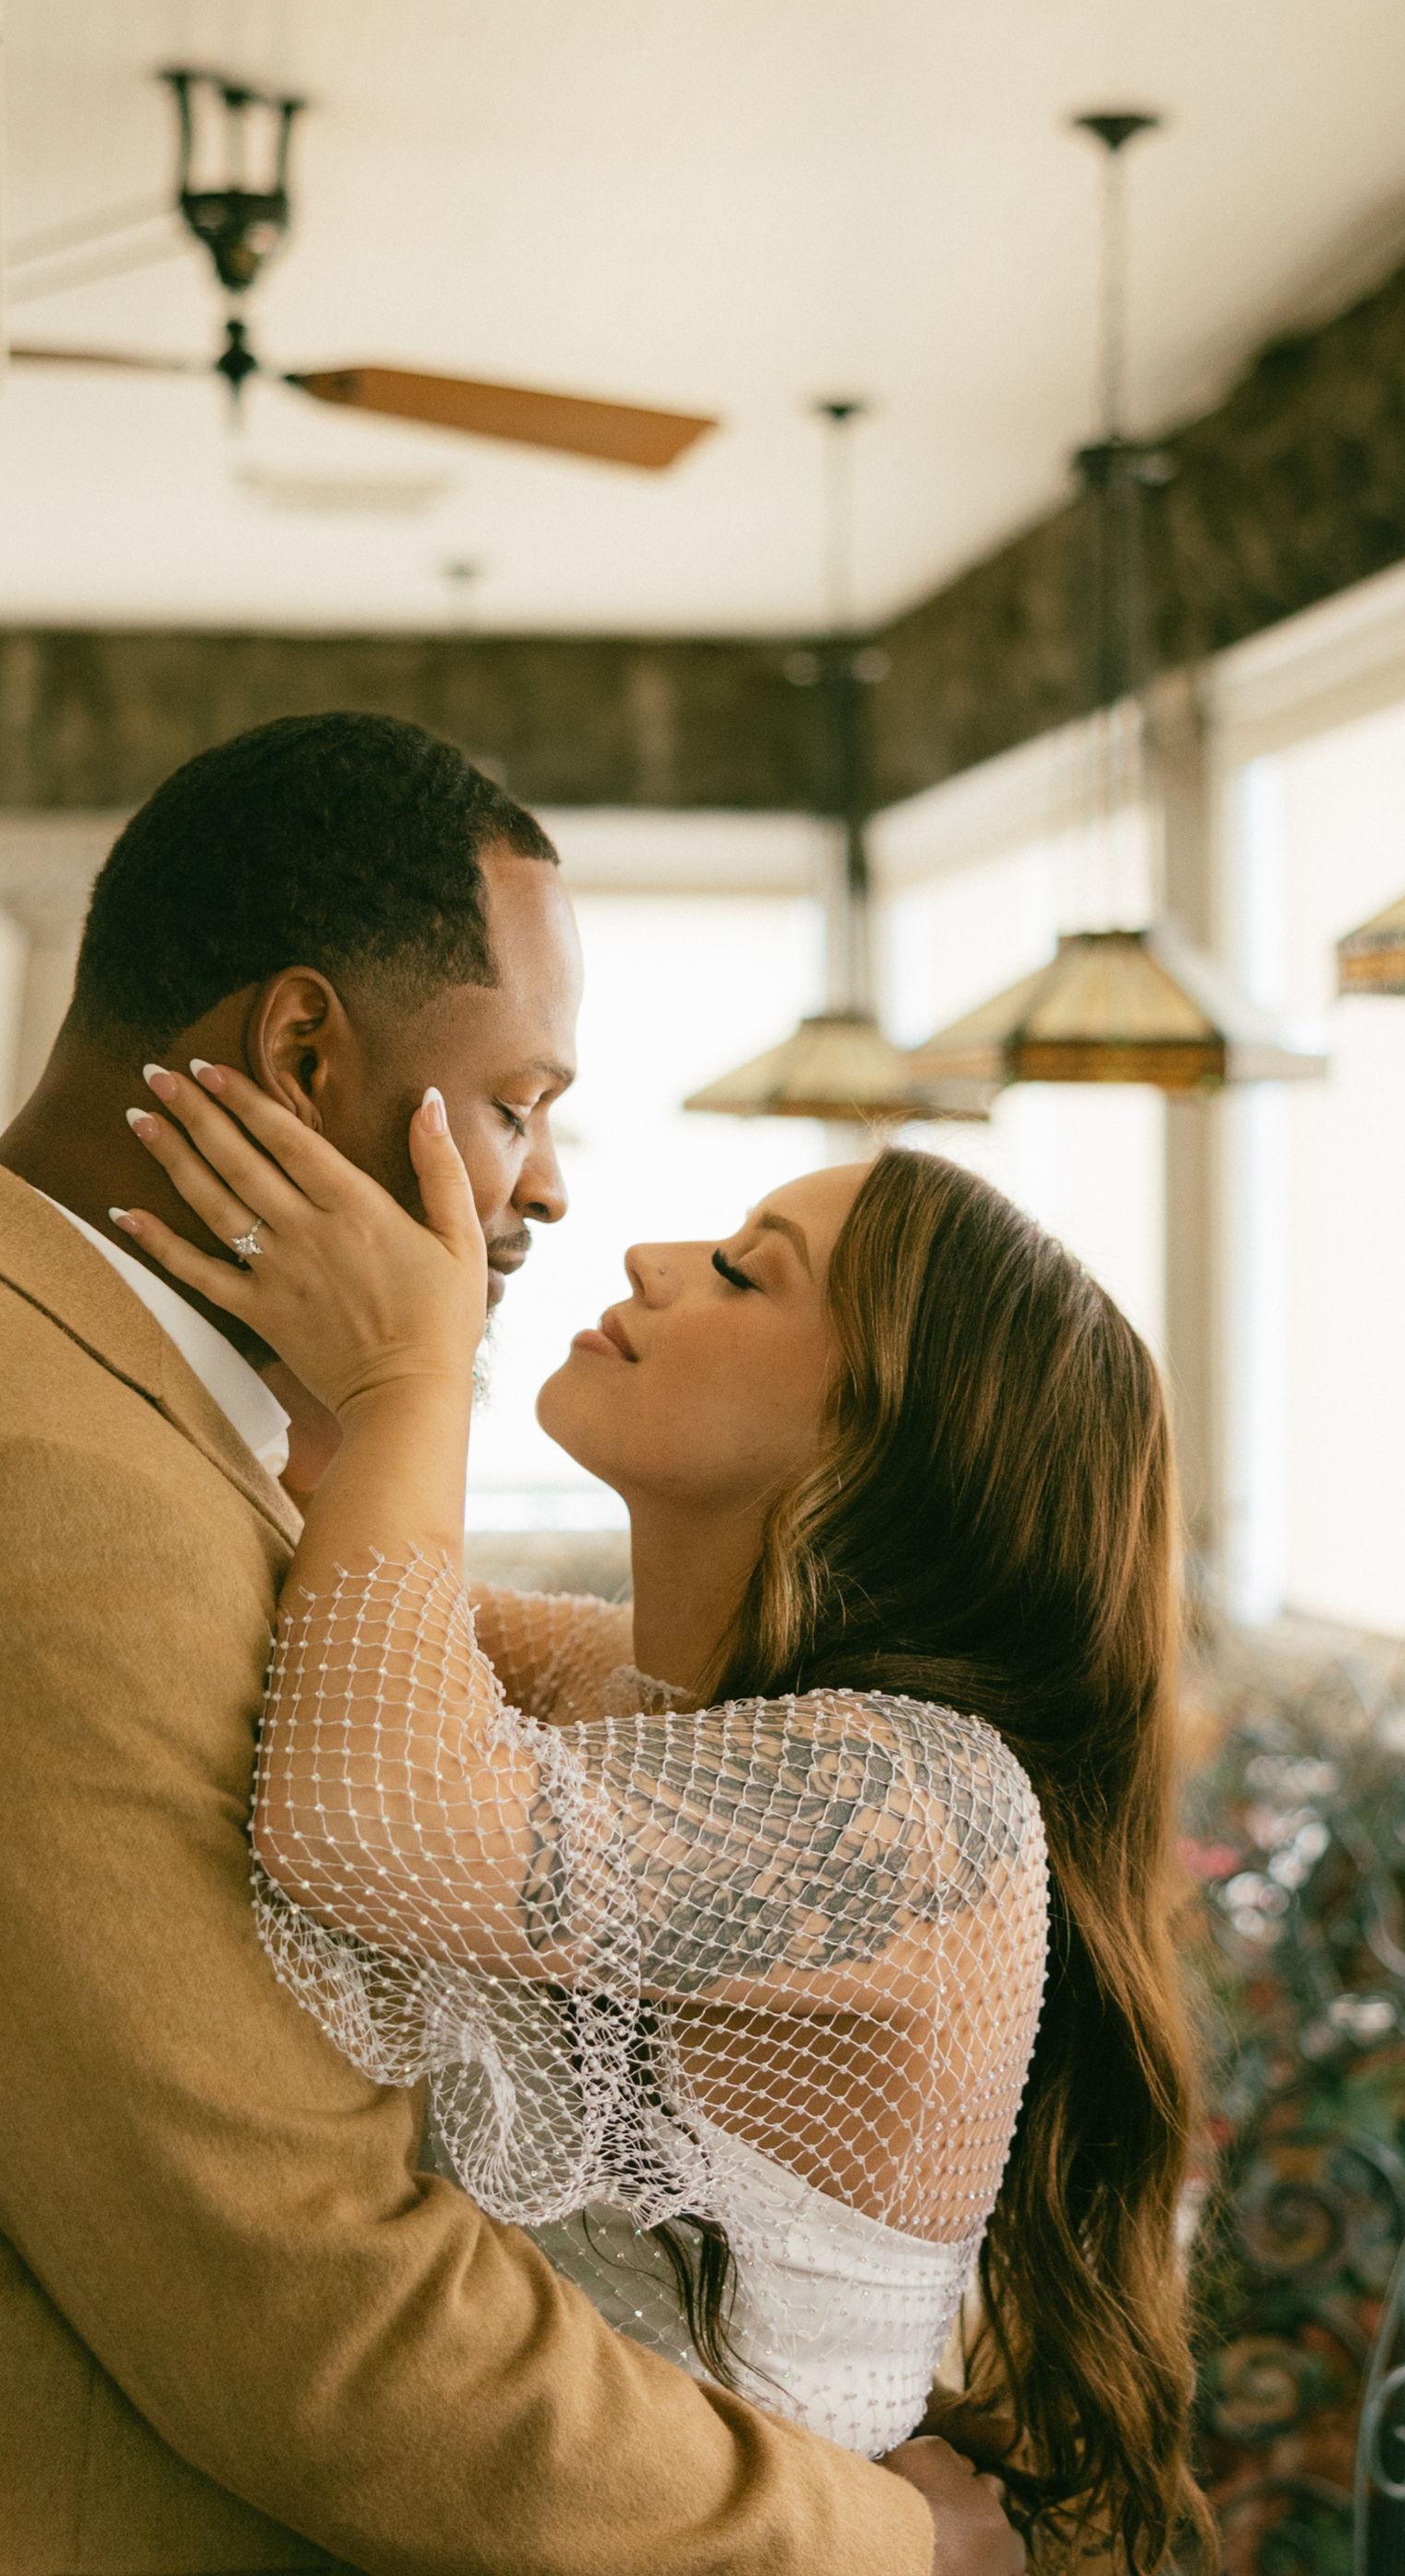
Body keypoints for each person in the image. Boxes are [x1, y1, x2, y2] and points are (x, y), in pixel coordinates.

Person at [0, 715, 1023, 2576]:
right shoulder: (11, 1487)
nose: (552, 1192)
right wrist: (881, 2540)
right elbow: (318, 2311)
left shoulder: (58, 1409)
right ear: (306, 1052)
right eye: (516, 1103)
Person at [107, 1065, 1208, 2572]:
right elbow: (327, 1584)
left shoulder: (925, 1805)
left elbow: (363, 1814)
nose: (648, 1257)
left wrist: (413, 1383)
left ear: (880, 1443)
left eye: (746, 1271)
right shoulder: (629, 1686)